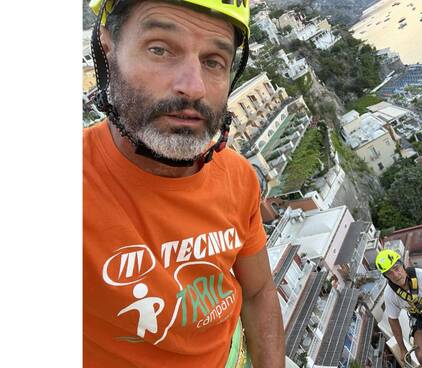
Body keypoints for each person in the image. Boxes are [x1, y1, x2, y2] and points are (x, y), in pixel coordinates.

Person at [83, 0, 284, 367]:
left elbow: (257, 292)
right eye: (160, 49)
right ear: (108, 49)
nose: (193, 87)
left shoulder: (237, 175)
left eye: (213, 62)